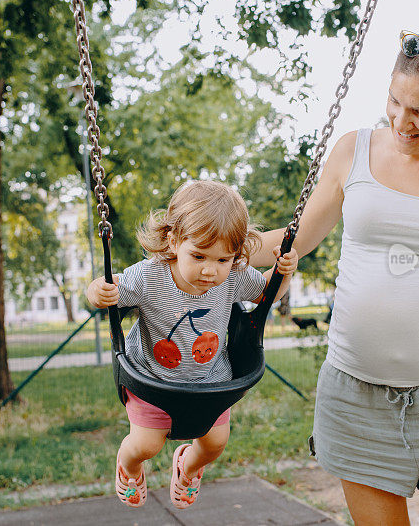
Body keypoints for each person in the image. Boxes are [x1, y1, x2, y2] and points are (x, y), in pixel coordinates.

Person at [250, 28, 419, 525]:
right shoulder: (353, 150)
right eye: (395, 102)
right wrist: (207, 248)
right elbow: (289, 241)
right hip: (356, 399)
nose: (403, 121)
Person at [87, 180, 298, 510]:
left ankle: (188, 467)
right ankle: (129, 467)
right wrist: (96, 291)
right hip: (151, 379)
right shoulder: (148, 277)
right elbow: (107, 294)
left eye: (224, 259)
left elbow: (267, 295)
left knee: (215, 443)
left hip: (210, 380)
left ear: (237, 255)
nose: (210, 270)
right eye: (198, 256)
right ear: (173, 241)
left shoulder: (234, 276)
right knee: (145, 445)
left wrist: (283, 273)